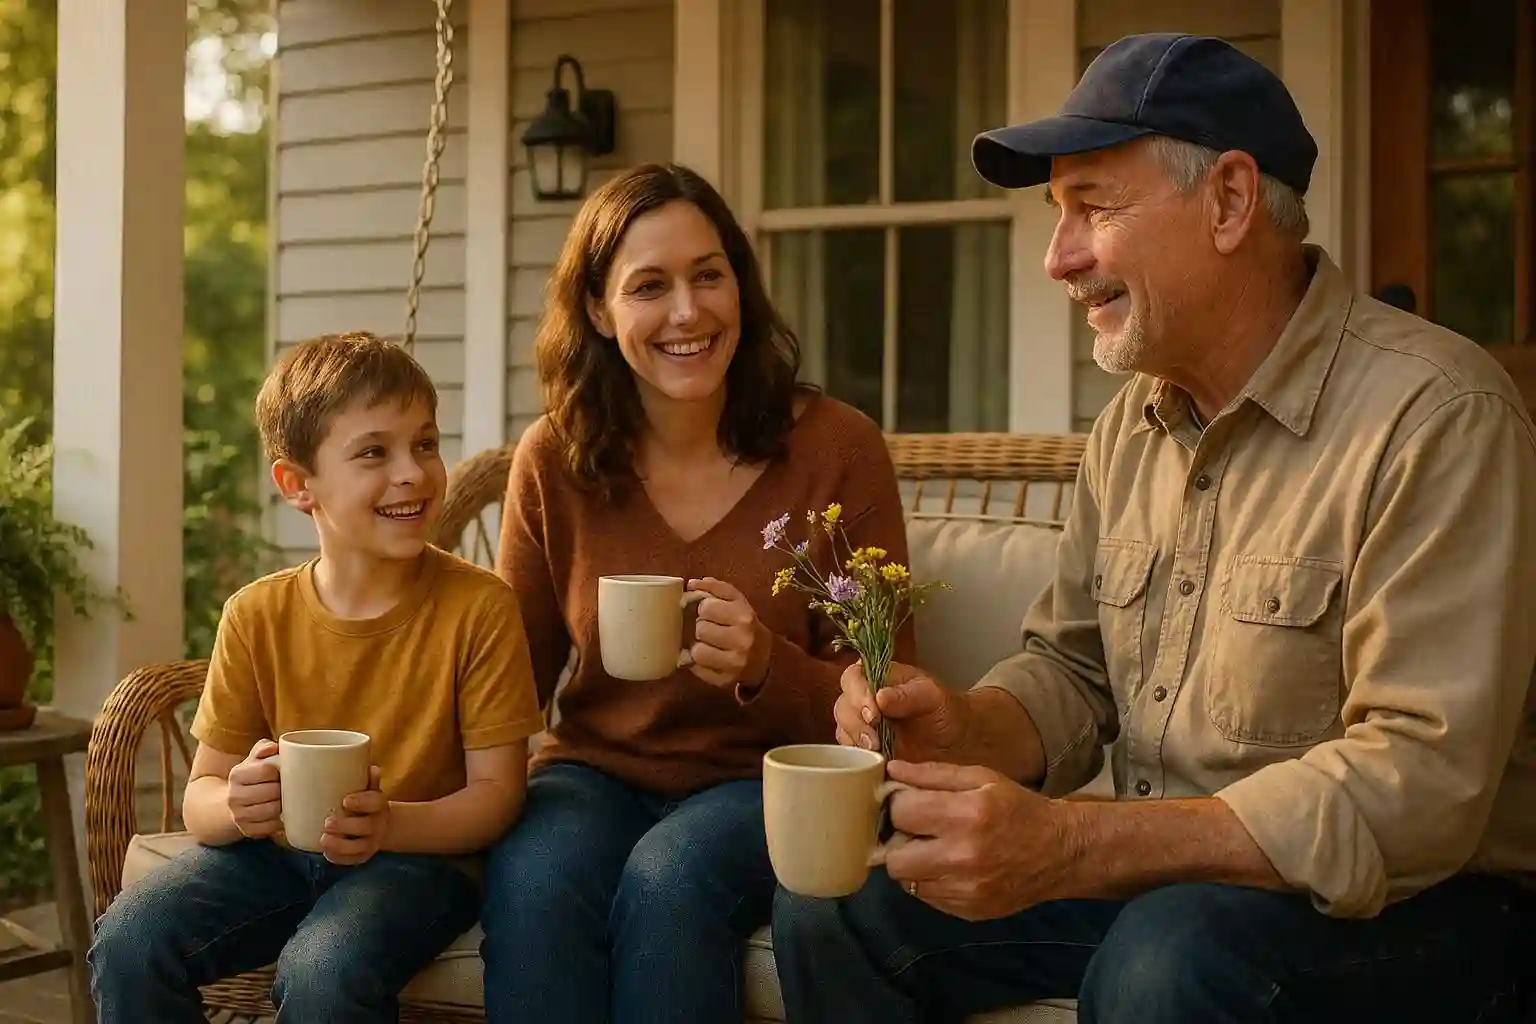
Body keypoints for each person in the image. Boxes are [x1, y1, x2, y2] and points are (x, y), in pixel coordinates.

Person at [772, 32, 1536, 1024]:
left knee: (1164, 962)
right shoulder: (1133, 427)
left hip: (1431, 903)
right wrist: (967, 725)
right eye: (1056, 215)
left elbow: (1415, 785)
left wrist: (1074, 845)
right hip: (1168, 880)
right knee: (845, 903)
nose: (1058, 258)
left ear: (1227, 200)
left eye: (1090, 206)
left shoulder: (1438, 417)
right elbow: (1075, 669)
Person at [480, 162, 914, 1023]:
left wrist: (767, 665)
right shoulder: (555, 460)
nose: (688, 312)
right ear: (600, 312)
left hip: (768, 782)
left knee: (669, 878)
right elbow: (508, 682)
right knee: (533, 883)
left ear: (740, 289)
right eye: (650, 286)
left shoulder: (836, 449)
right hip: (593, 774)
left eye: (708, 275)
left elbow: (891, 695)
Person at [88, 332, 544, 1022]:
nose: (414, 473)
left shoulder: (479, 607)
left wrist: (388, 824)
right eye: (373, 452)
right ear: (298, 485)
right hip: (273, 857)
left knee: (325, 969)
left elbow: (496, 797)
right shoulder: (256, 614)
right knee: (127, 942)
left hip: (419, 862)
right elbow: (202, 798)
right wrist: (238, 805)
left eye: (425, 443)